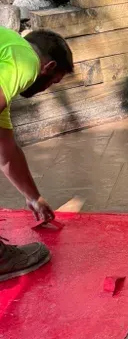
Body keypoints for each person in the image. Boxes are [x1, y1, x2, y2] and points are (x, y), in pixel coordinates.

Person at [0, 26, 74, 281]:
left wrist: (34, 197)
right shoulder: (25, 60)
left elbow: (6, 152)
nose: (47, 89)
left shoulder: (5, 66)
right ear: (49, 67)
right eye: (54, 82)